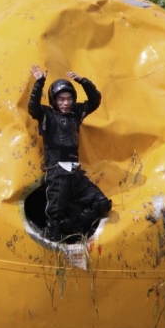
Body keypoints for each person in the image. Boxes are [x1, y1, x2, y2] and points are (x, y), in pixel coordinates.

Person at [27, 65, 112, 242]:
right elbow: (33, 106)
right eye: (61, 99)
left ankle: (78, 224)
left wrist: (83, 82)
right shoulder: (46, 115)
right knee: (55, 222)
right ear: (54, 100)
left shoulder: (76, 113)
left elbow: (95, 100)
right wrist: (39, 83)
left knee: (102, 203)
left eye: (69, 99)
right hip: (57, 172)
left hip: (75, 172)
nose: (65, 103)